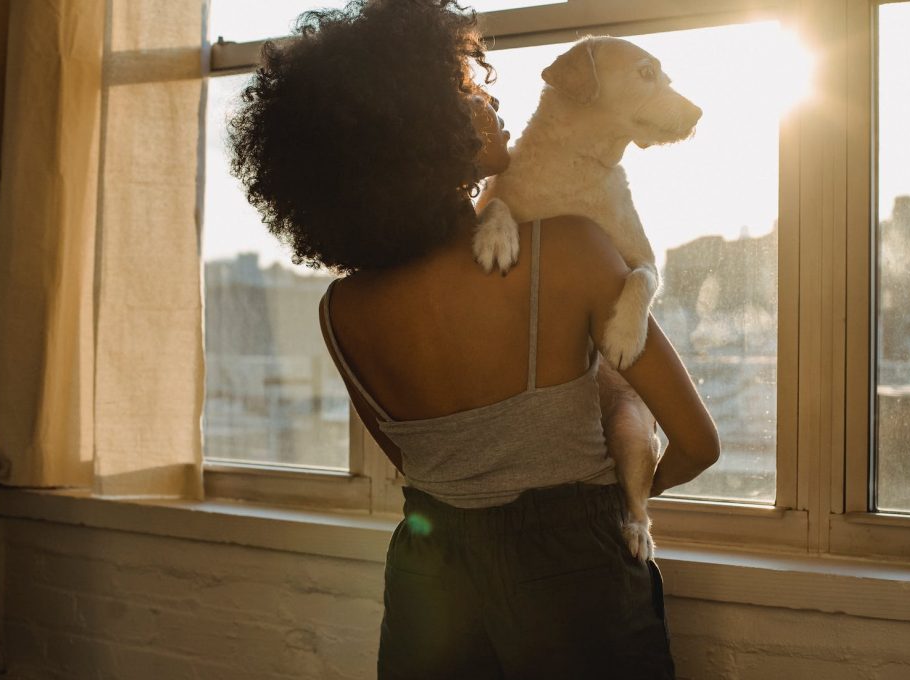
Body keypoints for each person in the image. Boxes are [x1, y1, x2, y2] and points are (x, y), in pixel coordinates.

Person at [227, 1, 719, 678]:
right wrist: (612, 504)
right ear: (417, 132)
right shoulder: (573, 251)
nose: (490, 98)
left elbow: (420, 461)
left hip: (428, 579)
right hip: (574, 578)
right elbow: (698, 444)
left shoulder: (342, 310)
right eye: (467, 90)